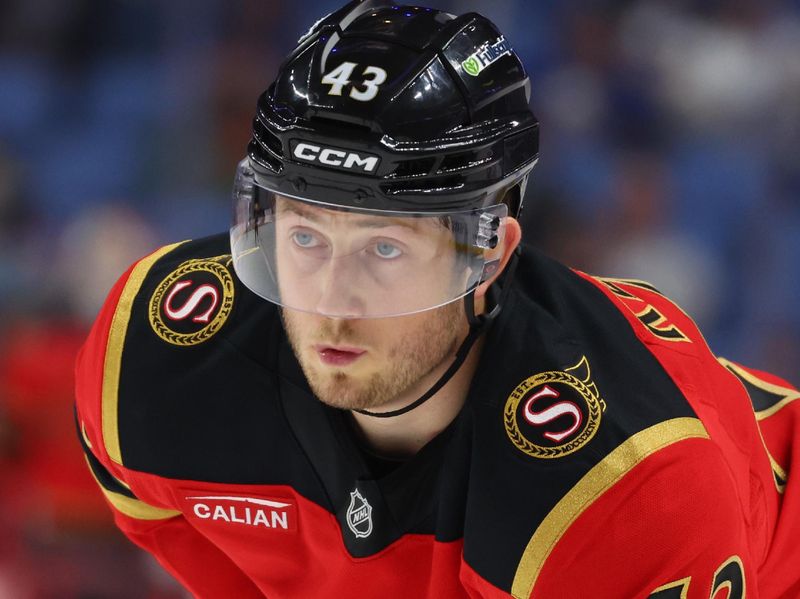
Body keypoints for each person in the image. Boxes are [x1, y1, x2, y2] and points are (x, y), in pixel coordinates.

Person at [74, 1, 799, 597]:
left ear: (488, 255)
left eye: (385, 249)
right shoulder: (153, 355)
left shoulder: (623, 492)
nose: (331, 301)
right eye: (305, 237)